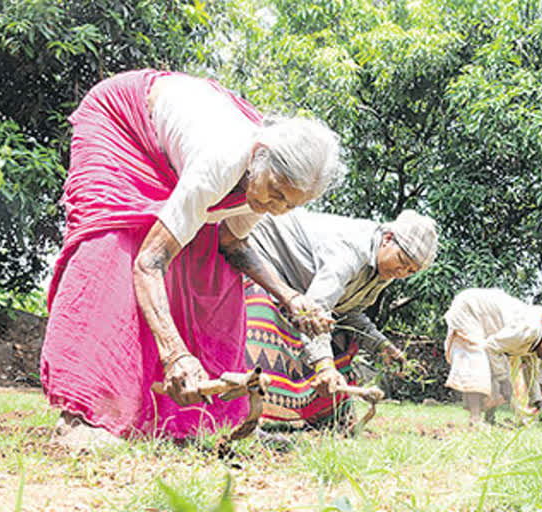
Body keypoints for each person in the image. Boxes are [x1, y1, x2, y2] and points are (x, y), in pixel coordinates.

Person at [40, 69, 345, 443]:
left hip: (180, 149)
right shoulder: (220, 162)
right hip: (122, 121)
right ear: (258, 159)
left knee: (209, 267)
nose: (278, 210)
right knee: (116, 242)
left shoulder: (262, 183)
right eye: (277, 194)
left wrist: (291, 298)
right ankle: (83, 418)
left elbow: (232, 247)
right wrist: (176, 355)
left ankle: (210, 422)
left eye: (290, 205)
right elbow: (149, 264)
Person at [243, 208, 438, 426]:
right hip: (263, 255)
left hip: (302, 291)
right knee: (268, 329)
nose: (402, 272)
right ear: (388, 239)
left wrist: (380, 345)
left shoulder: (385, 271)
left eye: (411, 271)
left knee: (341, 338)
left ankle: (322, 416)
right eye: (402, 261)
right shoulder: (351, 251)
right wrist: (324, 365)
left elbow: (348, 311)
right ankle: (251, 415)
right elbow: (316, 308)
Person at [443, 288, 542, 426]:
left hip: (486, 323)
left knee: (494, 368)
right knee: (476, 362)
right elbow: (492, 347)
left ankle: (489, 418)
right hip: (470, 309)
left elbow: (532, 376)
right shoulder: (527, 330)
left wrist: (540, 404)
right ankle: (475, 420)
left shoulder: (535, 343)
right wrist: (503, 380)